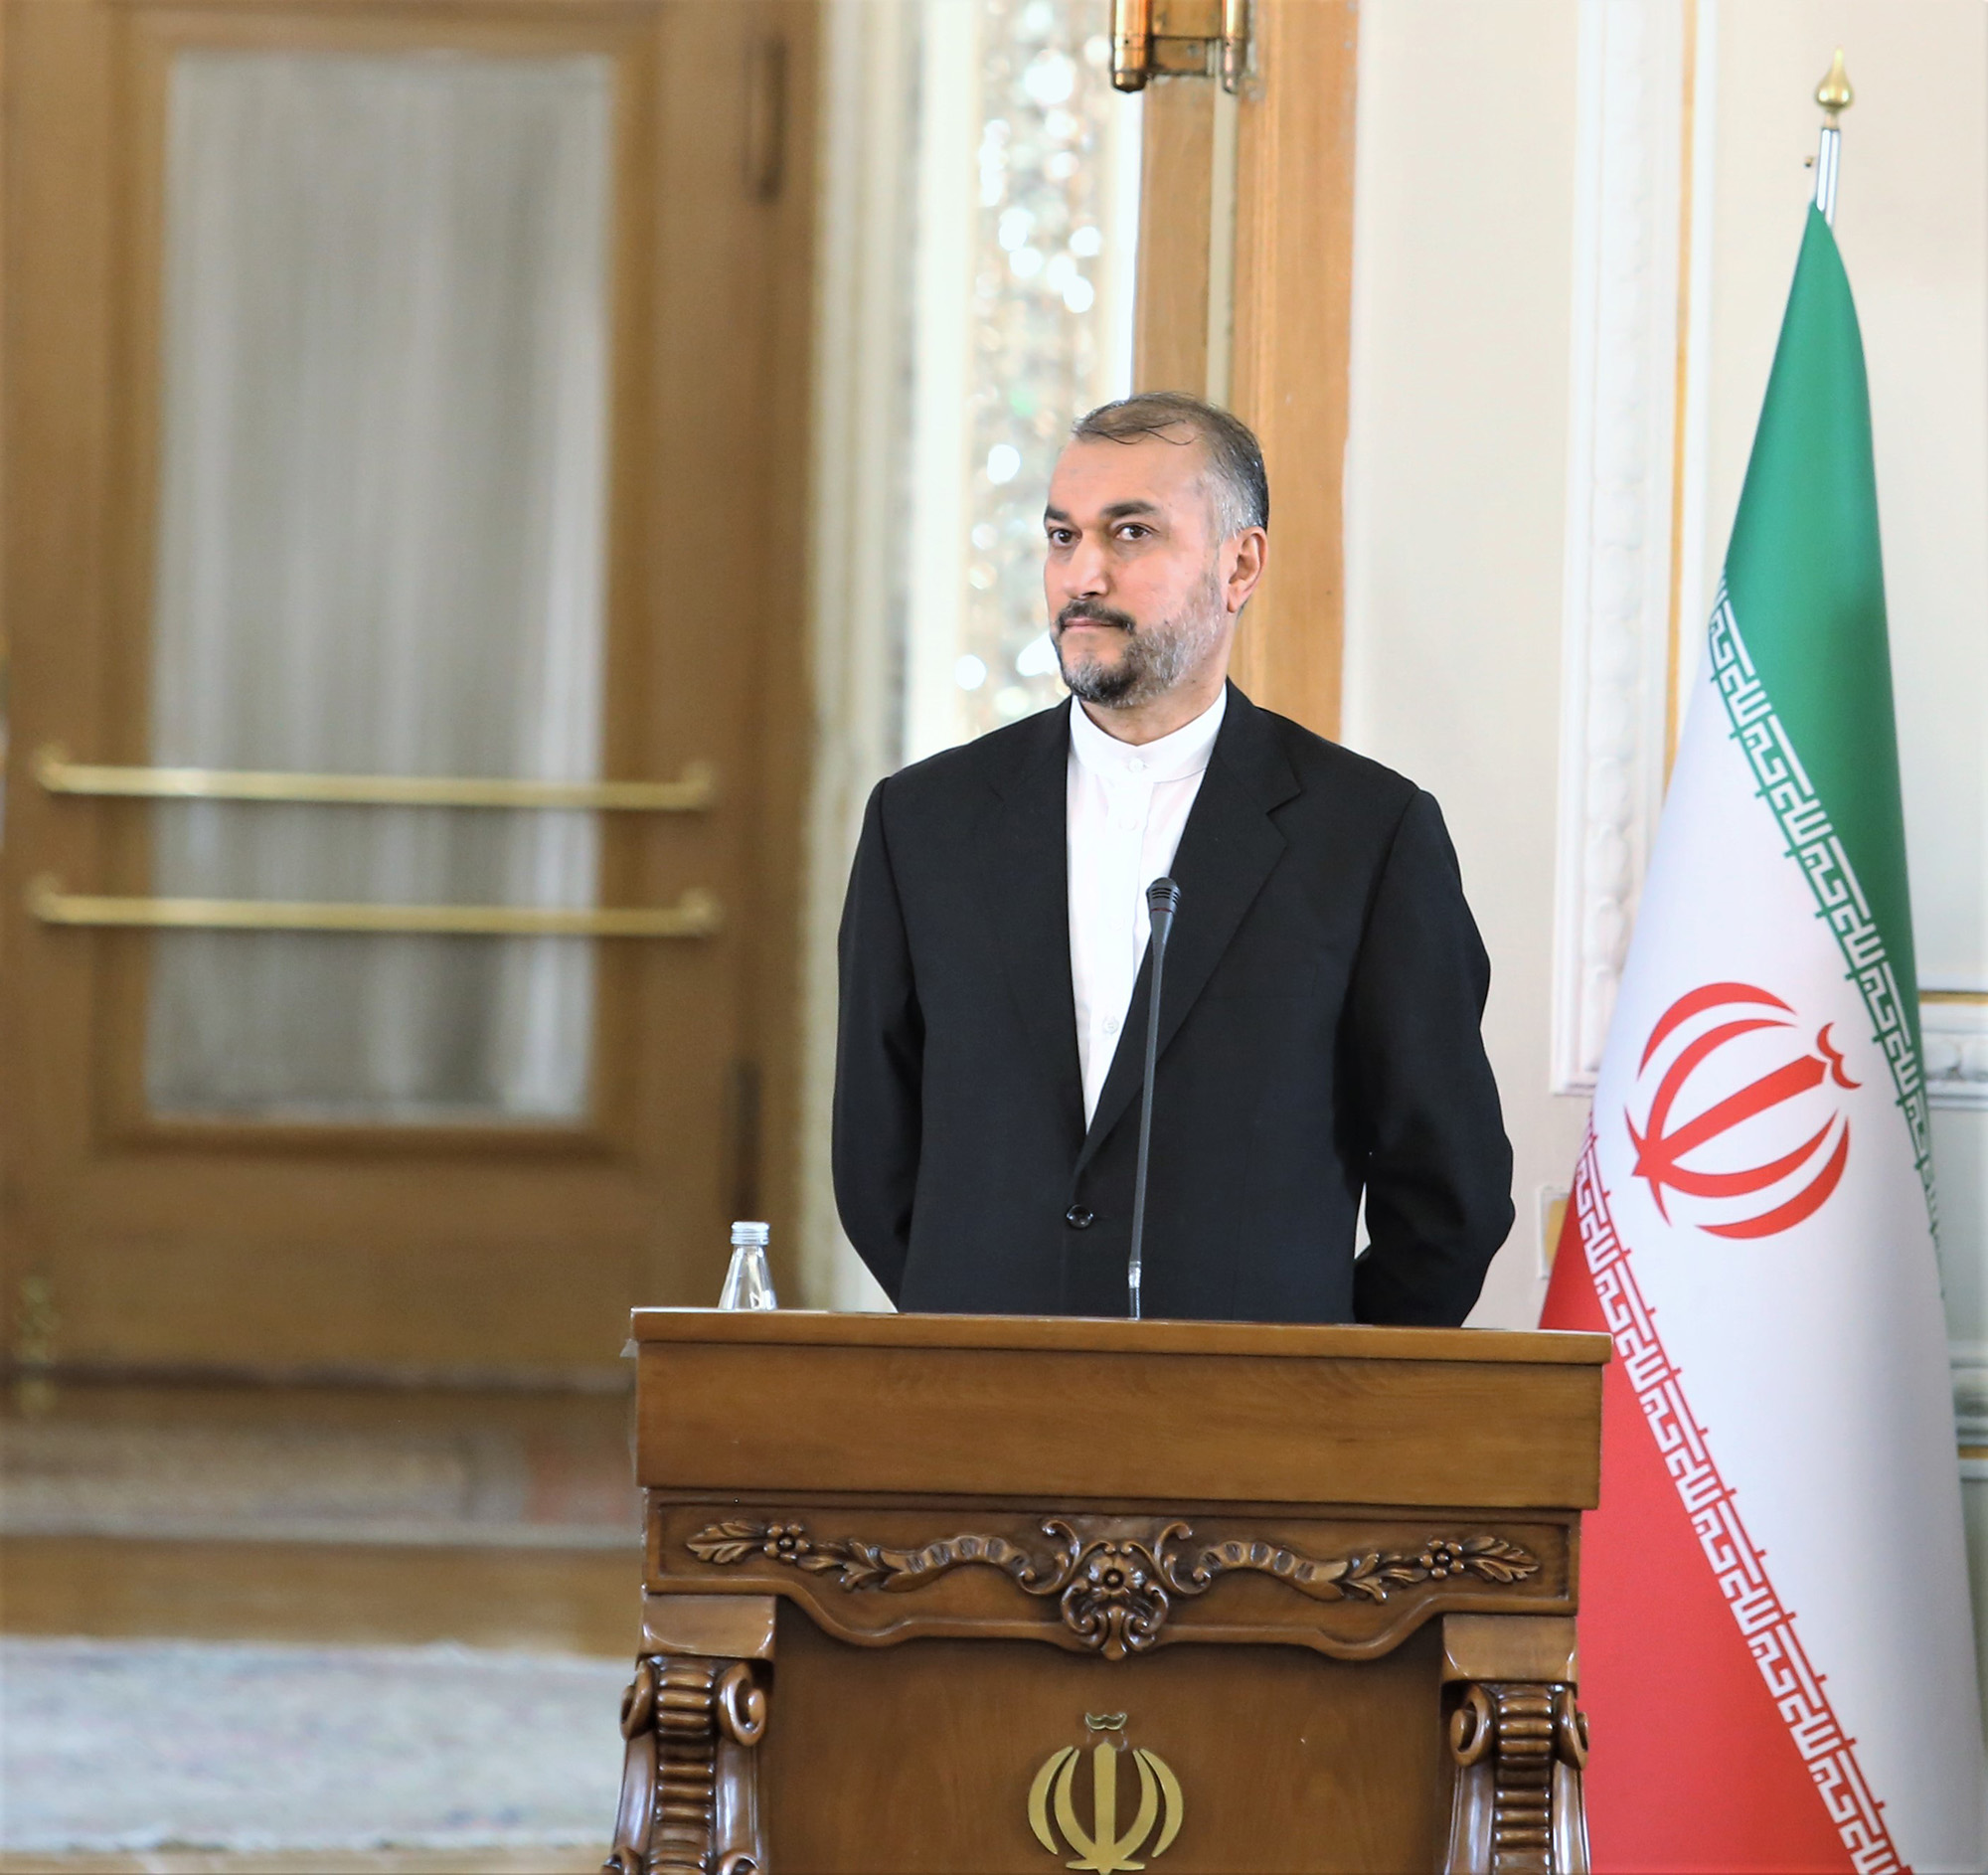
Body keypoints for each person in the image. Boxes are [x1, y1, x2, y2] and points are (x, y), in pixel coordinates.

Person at [832, 392, 1513, 1322]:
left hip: (1260, 1402)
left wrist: (1323, 1376)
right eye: (1063, 537)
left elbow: (1447, 1194)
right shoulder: (923, 823)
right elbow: (875, 1159)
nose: (1083, 576)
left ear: (1240, 565)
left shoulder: (1368, 835)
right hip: (983, 1384)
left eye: (1132, 533)